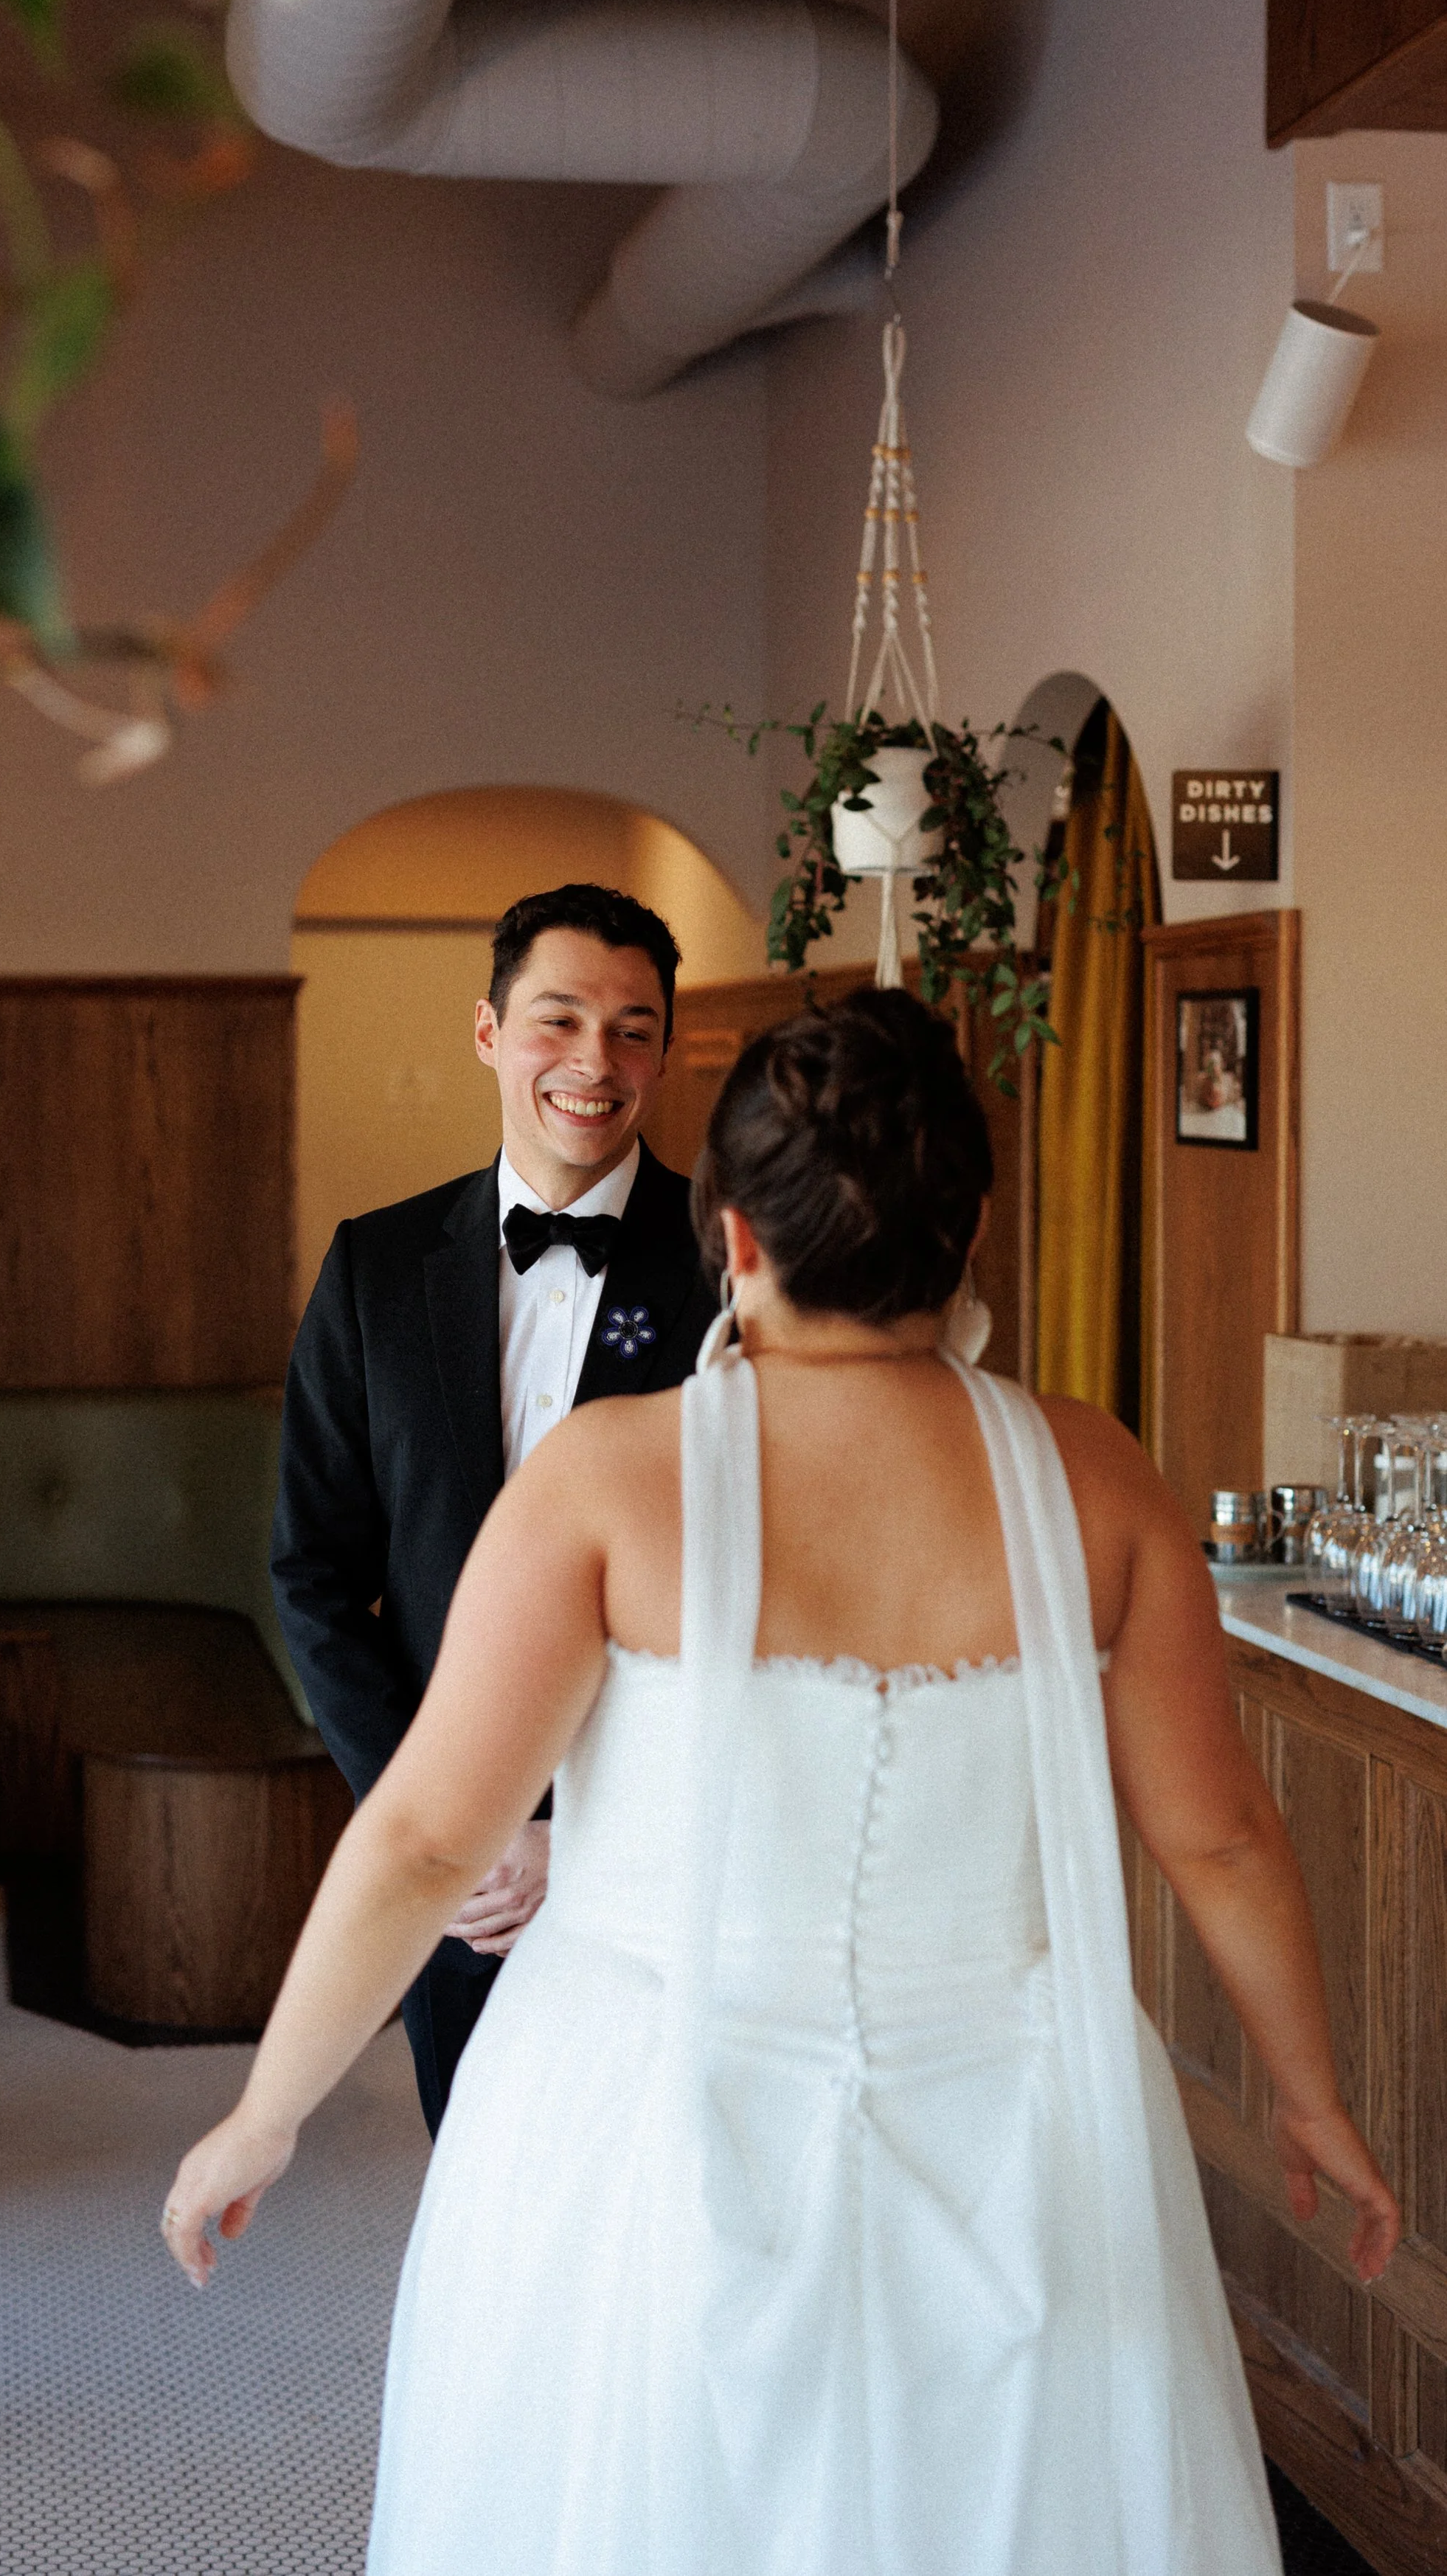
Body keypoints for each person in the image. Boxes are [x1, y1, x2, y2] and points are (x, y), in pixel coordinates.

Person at [168, 988, 1399, 2575]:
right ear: (965, 1238)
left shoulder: (608, 1477)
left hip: (636, 2112)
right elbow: (1217, 1836)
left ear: (729, 1239)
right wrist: (1306, 2094)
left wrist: (264, 2113)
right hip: (1016, 2116)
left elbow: (419, 1836)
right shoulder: (1097, 1477)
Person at [271, 880, 715, 2132]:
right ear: (487, 1032)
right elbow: (313, 1573)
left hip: (659, 1855)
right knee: (481, 2185)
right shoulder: (375, 1267)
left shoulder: (732, 1273)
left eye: (634, 1028)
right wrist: (454, 1823)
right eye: (558, 1020)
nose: (595, 1061)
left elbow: (762, 1579)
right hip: (455, 1865)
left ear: (667, 1051)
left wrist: (588, 1830)